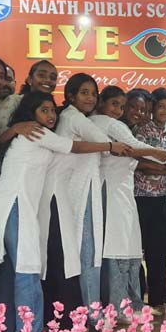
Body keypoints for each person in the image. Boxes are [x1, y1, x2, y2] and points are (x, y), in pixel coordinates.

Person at [0, 90, 127, 332]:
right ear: (31, 113)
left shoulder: (31, 134)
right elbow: (74, 146)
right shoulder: (37, 132)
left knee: (12, 271)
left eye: (52, 110)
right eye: (43, 110)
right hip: (17, 203)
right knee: (27, 269)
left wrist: (12, 130)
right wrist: (110, 146)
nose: (51, 115)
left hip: (16, 204)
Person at [90, 86, 166, 318]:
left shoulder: (121, 128)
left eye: (144, 110)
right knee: (119, 250)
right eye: (130, 107)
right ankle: (121, 306)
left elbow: (137, 158)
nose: (138, 113)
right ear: (102, 102)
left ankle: (133, 303)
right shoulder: (111, 126)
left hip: (127, 194)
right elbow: (139, 153)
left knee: (132, 250)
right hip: (116, 194)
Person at [50, 74, 114, 319]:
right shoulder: (74, 117)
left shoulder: (73, 117)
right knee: (87, 253)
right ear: (70, 96)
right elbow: (104, 142)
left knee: (82, 254)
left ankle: (85, 313)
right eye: (84, 93)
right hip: (79, 192)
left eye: (93, 94)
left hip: (76, 190)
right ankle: (93, 316)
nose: (90, 98)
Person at [133, 88, 166, 309]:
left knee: (159, 250)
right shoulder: (142, 130)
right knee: (138, 250)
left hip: (161, 197)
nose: (165, 111)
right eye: (161, 106)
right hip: (140, 197)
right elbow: (139, 164)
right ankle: (138, 296)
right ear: (152, 108)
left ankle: (157, 296)